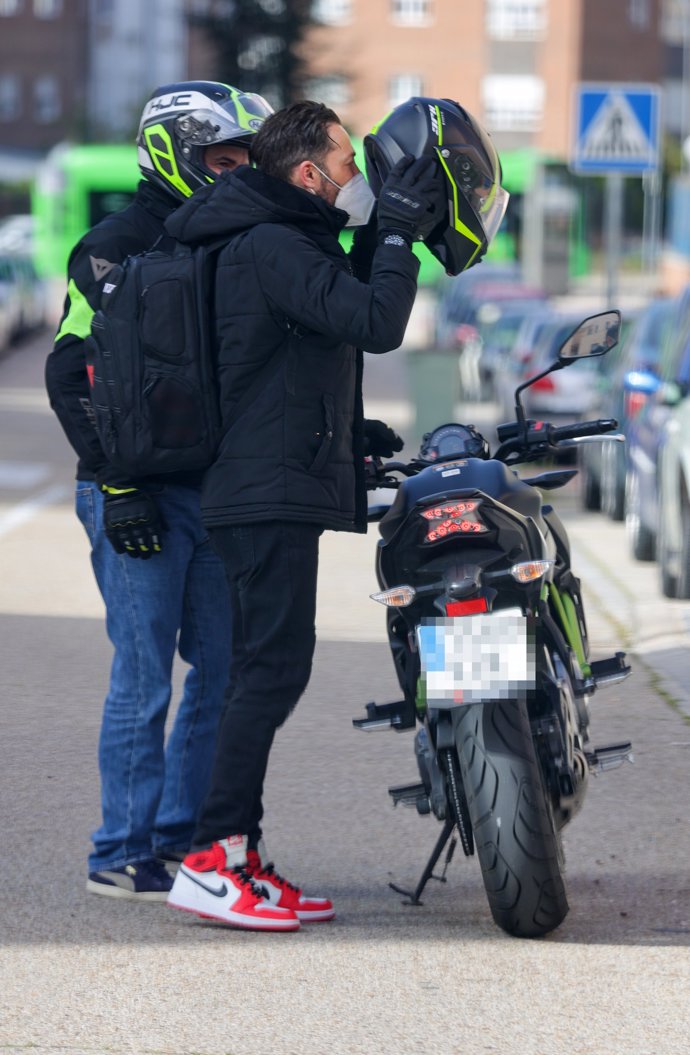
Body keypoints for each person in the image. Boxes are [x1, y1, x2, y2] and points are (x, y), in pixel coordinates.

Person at [164, 99, 448, 932]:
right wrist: (393, 231)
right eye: (350, 164)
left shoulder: (284, 241)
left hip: (270, 484)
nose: (360, 178)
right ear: (307, 173)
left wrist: (347, 432)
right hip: (259, 493)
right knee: (265, 674)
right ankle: (213, 858)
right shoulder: (270, 244)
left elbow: (287, 361)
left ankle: (238, 851)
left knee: (271, 668)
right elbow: (376, 321)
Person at [44, 81, 273, 901]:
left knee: (219, 671)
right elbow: (70, 372)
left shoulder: (230, 240)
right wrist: (119, 482)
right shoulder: (115, 244)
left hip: (208, 493)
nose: (235, 172)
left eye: (243, 158)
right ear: (176, 151)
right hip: (131, 491)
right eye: (222, 157)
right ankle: (119, 849)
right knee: (144, 680)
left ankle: (185, 841)